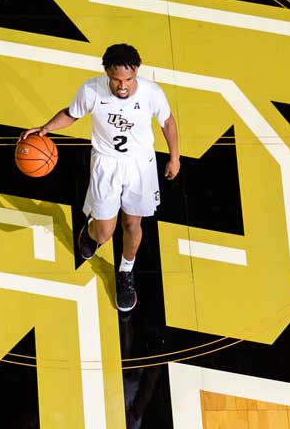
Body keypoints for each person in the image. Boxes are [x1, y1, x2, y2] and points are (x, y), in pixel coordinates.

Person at [21, 44, 180, 312]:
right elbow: (71, 114)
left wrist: (175, 157)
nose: (122, 86)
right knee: (104, 234)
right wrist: (46, 128)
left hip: (140, 166)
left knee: (132, 224)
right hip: (106, 164)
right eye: (117, 79)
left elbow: (168, 122)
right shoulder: (92, 90)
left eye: (128, 79)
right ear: (107, 72)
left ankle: (125, 272)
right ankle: (90, 230)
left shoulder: (152, 93)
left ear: (136, 72)